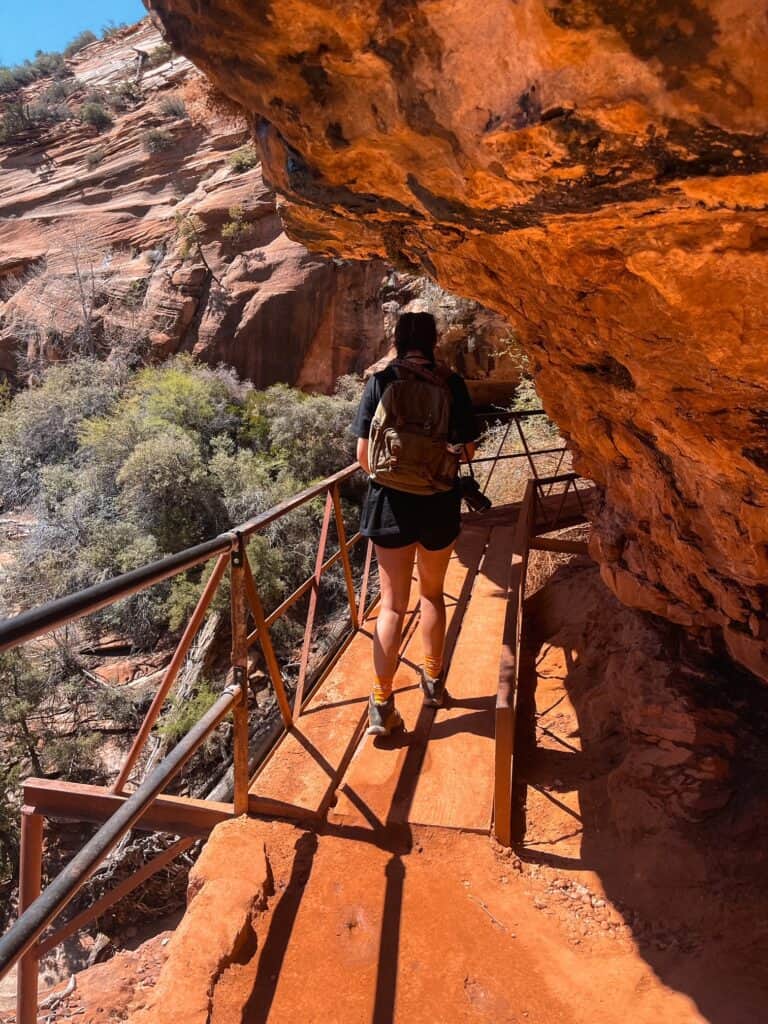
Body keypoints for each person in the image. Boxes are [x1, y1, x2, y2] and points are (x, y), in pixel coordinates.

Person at [351, 312, 478, 737]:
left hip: (390, 505)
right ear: (433, 340)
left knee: (391, 606)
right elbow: (469, 451)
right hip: (439, 502)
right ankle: (434, 683)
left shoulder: (381, 381)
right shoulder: (452, 383)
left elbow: (363, 457)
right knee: (433, 595)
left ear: (398, 340)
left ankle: (382, 703)